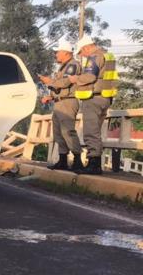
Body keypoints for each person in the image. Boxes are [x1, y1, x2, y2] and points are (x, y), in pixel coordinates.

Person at [69, 36, 118, 175]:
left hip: (94, 98)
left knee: (91, 131)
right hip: (106, 97)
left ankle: (94, 164)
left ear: (87, 47)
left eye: (81, 52)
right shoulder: (108, 55)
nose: (81, 55)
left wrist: (75, 79)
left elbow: (90, 77)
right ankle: (95, 162)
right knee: (96, 131)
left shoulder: (94, 57)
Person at [38, 39, 83, 171]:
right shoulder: (63, 67)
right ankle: (62, 160)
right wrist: (50, 96)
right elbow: (59, 87)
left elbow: (65, 83)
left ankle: (77, 161)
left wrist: (49, 81)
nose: (56, 55)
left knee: (68, 131)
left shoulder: (73, 65)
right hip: (59, 102)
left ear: (65, 53)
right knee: (58, 133)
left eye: (58, 52)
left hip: (68, 102)